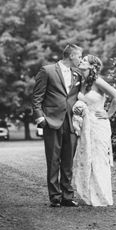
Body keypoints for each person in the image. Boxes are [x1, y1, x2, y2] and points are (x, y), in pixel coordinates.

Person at [31, 44, 83, 207]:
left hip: (71, 121)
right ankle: (55, 196)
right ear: (72, 55)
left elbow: (74, 97)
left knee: (68, 160)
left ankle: (67, 196)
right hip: (52, 121)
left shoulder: (77, 74)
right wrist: (40, 118)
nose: (81, 59)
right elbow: (37, 96)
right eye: (80, 56)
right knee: (53, 160)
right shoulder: (47, 71)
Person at [72, 55, 116, 207]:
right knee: (86, 158)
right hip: (86, 126)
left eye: (84, 60)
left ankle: (101, 197)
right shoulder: (82, 83)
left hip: (99, 125)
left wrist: (108, 113)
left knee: (99, 159)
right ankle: (86, 196)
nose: (81, 61)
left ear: (92, 66)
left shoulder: (97, 81)